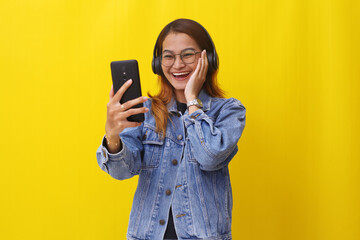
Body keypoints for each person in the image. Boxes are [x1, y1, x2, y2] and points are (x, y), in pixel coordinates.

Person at [96, 18, 246, 240]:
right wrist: (113, 136)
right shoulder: (145, 111)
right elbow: (121, 171)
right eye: (168, 56)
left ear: (208, 59)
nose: (177, 65)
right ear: (158, 63)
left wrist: (192, 100)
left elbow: (210, 157)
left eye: (187, 54)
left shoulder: (229, 111)